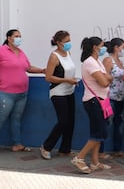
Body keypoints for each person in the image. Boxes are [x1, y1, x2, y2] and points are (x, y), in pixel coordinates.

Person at [0, 29, 45, 156]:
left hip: (22, 93)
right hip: (4, 92)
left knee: (16, 119)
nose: (19, 38)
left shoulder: (21, 53)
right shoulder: (1, 50)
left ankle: (17, 144)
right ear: (9, 38)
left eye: (20, 36)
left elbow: (28, 68)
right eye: (16, 36)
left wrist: (42, 70)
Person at [70, 37, 113, 174]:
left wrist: (106, 77)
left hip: (101, 101)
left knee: (99, 132)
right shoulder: (90, 63)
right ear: (95, 47)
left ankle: (95, 162)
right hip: (94, 101)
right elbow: (104, 82)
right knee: (98, 132)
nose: (104, 48)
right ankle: (79, 157)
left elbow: (108, 77)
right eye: (102, 45)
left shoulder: (97, 61)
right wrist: (106, 78)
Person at [40, 31, 79, 160]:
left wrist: (71, 80)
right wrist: (66, 80)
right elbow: (48, 77)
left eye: (69, 40)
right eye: (66, 41)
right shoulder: (54, 56)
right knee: (63, 121)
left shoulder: (68, 53)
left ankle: (65, 149)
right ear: (58, 42)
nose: (69, 43)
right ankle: (46, 146)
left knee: (71, 122)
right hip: (58, 93)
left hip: (70, 91)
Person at [101, 37, 124, 158]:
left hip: (121, 97)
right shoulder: (108, 60)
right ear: (116, 48)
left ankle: (118, 149)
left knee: (119, 124)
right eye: (122, 47)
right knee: (107, 123)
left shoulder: (121, 63)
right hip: (110, 97)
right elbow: (104, 77)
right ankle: (100, 151)